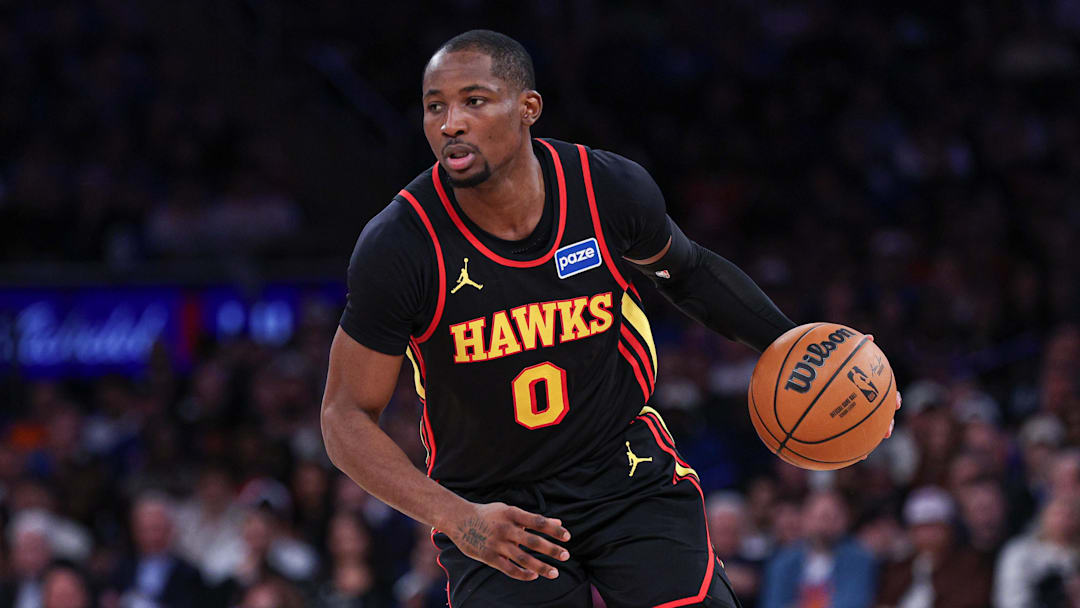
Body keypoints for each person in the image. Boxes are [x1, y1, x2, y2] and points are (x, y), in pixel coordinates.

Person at [320, 29, 898, 607]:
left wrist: (810, 355)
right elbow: (344, 415)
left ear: (528, 108)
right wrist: (459, 519)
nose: (450, 123)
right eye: (434, 106)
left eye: (474, 100)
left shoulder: (605, 189)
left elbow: (690, 273)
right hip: (492, 504)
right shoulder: (401, 244)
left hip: (624, 471)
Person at [875, 486, 992, 608]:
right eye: (921, 528)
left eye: (934, 527)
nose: (928, 535)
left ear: (950, 529)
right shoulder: (898, 568)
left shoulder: (970, 565)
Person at [759, 490, 877, 608]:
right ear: (805, 519)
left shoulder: (860, 560)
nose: (827, 524)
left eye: (835, 517)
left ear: (845, 520)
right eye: (823, 517)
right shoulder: (783, 562)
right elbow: (773, 603)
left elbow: (854, 603)